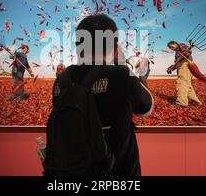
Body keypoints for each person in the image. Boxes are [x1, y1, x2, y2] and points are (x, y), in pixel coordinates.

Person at [52, 14, 154, 176]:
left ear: (79, 46)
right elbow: (146, 108)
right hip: (118, 174)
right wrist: (142, 76)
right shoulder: (122, 75)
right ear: (114, 48)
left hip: (72, 174)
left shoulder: (62, 80)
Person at [166, 41, 202, 107]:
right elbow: (178, 61)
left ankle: (181, 103)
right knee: (188, 85)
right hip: (185, 66)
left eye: (171, 47)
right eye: (170, 48)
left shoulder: (180, 45)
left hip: (184, 66)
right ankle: (195, 101)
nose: (171, 49)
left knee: (182, 83)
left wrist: (189, 47)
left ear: (175, 43)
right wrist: (172, 67)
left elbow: (187, 52)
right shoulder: (177, 51)